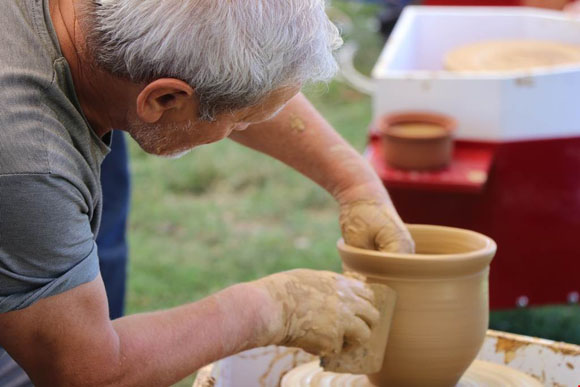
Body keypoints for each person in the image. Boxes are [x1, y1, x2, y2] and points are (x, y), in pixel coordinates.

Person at [0, 0, 414, 385]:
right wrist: (275, 307)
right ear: (163, 98)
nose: (243, 129)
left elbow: (226, 61)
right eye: (240, 123)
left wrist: (355, 184)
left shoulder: (94, 32)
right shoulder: (34, 163)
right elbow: (85, 371)